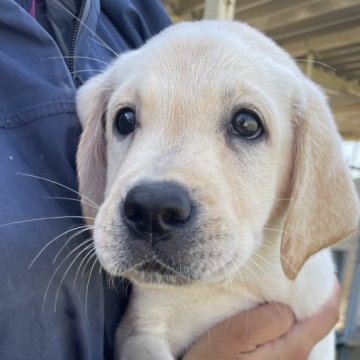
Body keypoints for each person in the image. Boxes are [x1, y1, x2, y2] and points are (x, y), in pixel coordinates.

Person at [0, 0, 340, 359]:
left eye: (245, 125)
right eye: (127, 121)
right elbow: (143, 338)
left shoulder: (130, 15)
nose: (154, 201)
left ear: (303, 163)